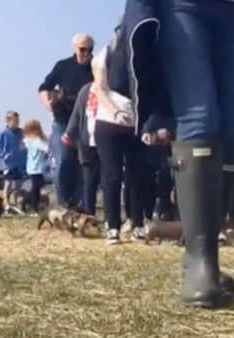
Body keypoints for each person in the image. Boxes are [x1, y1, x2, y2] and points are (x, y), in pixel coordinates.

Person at [122, 0, 234, 308]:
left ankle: (205, 259)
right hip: (183, 7)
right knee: (200, 117)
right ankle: (200, 263)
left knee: (233, 128)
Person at [91, 28, 147, 245]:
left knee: (137, 175)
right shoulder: (104, 55)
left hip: (137, 122)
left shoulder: (144, 56)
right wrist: (115, 111)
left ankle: (137, 223)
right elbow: (99, 89)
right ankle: (112, 225)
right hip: (109, 123)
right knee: (112, 175)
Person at [38, 33, 94, 208]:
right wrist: (48, 103)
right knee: (63, 161)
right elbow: (44, 87)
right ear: (75, 48)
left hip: (86, 122)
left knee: (83, 164)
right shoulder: (63, 66)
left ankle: (79, 204)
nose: (86, 53)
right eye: (83, 49)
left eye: (90, 49)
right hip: (63, 120)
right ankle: (63, 203)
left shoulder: (97, 67)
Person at [63, 75, 101, 217]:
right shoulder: (85, 90)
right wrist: (69, 133)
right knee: (89, 181)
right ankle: (89, 214)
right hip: (87, 143)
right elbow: (77, 114)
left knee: (108, 180)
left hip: (106, 142)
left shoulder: (110, 90)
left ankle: (111, 217)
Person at [0, 111, 25, 210]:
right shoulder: (3, 134)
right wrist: (4, 155)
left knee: (18, 185)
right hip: (8, 164)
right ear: (8, 121)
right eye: (15, 121)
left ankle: (17, 204)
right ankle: (6, 204)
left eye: (18, 121)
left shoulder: (21, 133)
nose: (17, 123)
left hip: (19, 163)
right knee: (8, 184)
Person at [23, 120, 49, 215]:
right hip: (37, 168)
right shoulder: (37, 141)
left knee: (37, 188)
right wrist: (45, 138)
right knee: (36, 189)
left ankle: (32, 204)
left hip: (32, 168)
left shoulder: (27, 140)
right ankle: (31, 204)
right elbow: (47, 148)